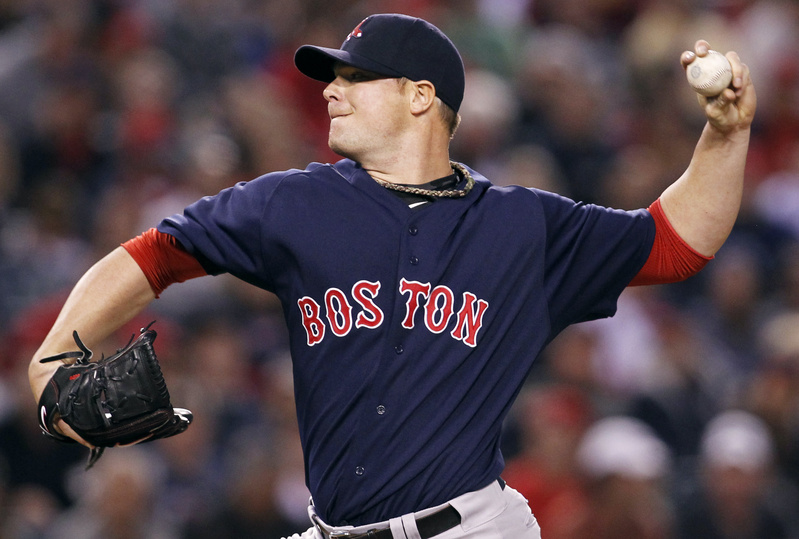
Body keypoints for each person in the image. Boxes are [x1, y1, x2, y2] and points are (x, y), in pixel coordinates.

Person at [28, 13, 756, 539]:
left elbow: (674, 243)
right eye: (332, 77)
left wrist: (724, 135)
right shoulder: (293, 203)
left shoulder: (522, 227)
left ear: (419, 96)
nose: (330, 90)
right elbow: (156, 253)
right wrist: (55, 350)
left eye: (354, 76)